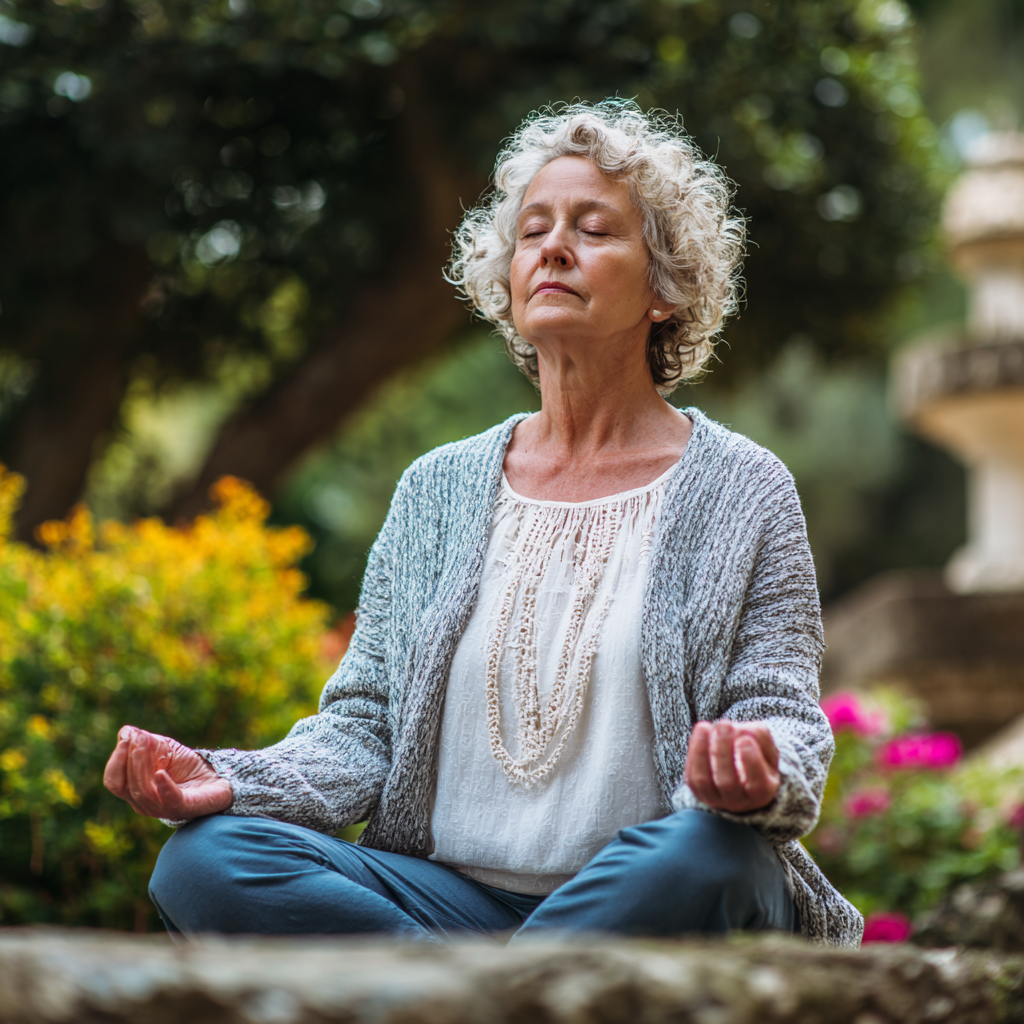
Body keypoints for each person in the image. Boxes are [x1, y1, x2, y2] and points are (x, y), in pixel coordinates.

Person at [104, 100, 863, 948]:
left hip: (647, 889)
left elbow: (784, 718)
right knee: (205, 859)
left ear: (664, 287)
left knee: (710, 857)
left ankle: (455, 996)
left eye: (594, 229)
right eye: (534, 229)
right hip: (448, 904)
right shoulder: (437, 490)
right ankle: (517, 995)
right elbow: (363, 731)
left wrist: (756, 774)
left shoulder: (745, 489)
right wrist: (229, 779)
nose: (554, 247)